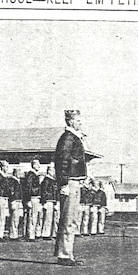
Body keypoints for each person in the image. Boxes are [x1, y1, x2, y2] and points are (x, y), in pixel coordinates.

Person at [54, 110, 87, 266]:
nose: (81, 123)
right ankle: (64, 254)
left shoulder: (73, 138)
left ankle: (67, 253)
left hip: (74, 182)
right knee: (68, 219)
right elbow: (63, 161)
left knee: (71, 219)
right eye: (78, 120)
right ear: (71, 121)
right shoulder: (68, 138)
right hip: (70, 182)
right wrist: (64, 183)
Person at [23, 158, 43, 242]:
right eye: (37, 164)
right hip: (33, 198)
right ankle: (30, 235)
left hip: (36, 198)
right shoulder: (31, 175)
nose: (39, 166)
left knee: (35, 217)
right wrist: (28, 200)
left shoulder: (35, 175)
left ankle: (33, 234)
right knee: (32, 217)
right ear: (34, 165)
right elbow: (28, 188)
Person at [40, 165, 59, 240]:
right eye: (53, 171)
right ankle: (46, 234)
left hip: (52, 201)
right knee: (48, 218)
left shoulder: (52, 180)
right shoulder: (46, 180)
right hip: (48, 201)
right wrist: (44, 202)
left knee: (52, 218)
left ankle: (51, 233)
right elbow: (44, 191)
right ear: (49, 171)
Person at [8, 168, 23, 240]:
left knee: (16, 218)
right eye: (19, 173)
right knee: (14, 218)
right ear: (15, 173)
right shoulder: (13, 181)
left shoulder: (17, 181)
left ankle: (15, 234)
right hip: (14, 201)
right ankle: (13, 235)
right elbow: (11, 192)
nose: (20, 175)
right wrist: (12, 201)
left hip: (18, 201)